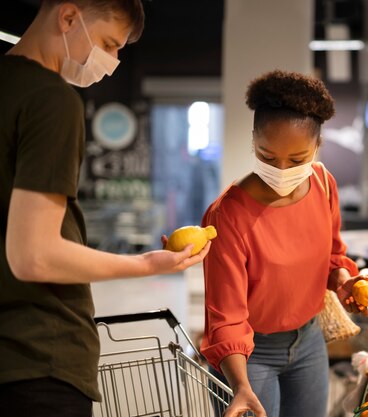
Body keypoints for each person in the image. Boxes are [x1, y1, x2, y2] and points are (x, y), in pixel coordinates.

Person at [0, 1, 211, 416]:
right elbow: (35, 257)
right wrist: (149, 264)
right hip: (38, 356)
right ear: (68, 17)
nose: (112, 63)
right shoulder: (50, 99)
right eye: (108, 43)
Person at [200, 70, 368, 417]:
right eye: (266, 156)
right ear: (253, 140)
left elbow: (332, 256)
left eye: (296, 160)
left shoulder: (323, 185)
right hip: (250, 355)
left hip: (308, 343)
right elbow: (226, 316)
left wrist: (344, 282)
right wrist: (241, 385)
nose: (281, 170)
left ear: (317, 147)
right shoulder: (227, 215)